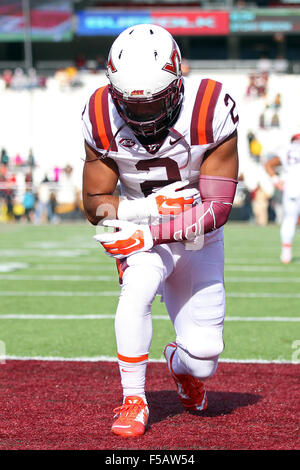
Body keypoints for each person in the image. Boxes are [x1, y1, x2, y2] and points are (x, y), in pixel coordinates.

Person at [81, 24, 239, 437]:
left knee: (204, 356)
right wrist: (145, 211)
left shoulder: (210, 106)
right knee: (135, 291)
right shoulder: (99, 113)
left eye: (155, 104)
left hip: (196, 231)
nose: (143, 116)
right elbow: (95, 204)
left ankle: (178, 363)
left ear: (177, 83)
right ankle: (133, 398)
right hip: (141, 226)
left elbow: (217, 209)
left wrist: (151, 233)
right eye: (133, 106)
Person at [265, 133, 300, 263]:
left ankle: (286, 254)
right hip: (293, 187)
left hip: (291, 188)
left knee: (289, 220)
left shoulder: (286, 149)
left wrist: (276, 180)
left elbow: (268, 164)